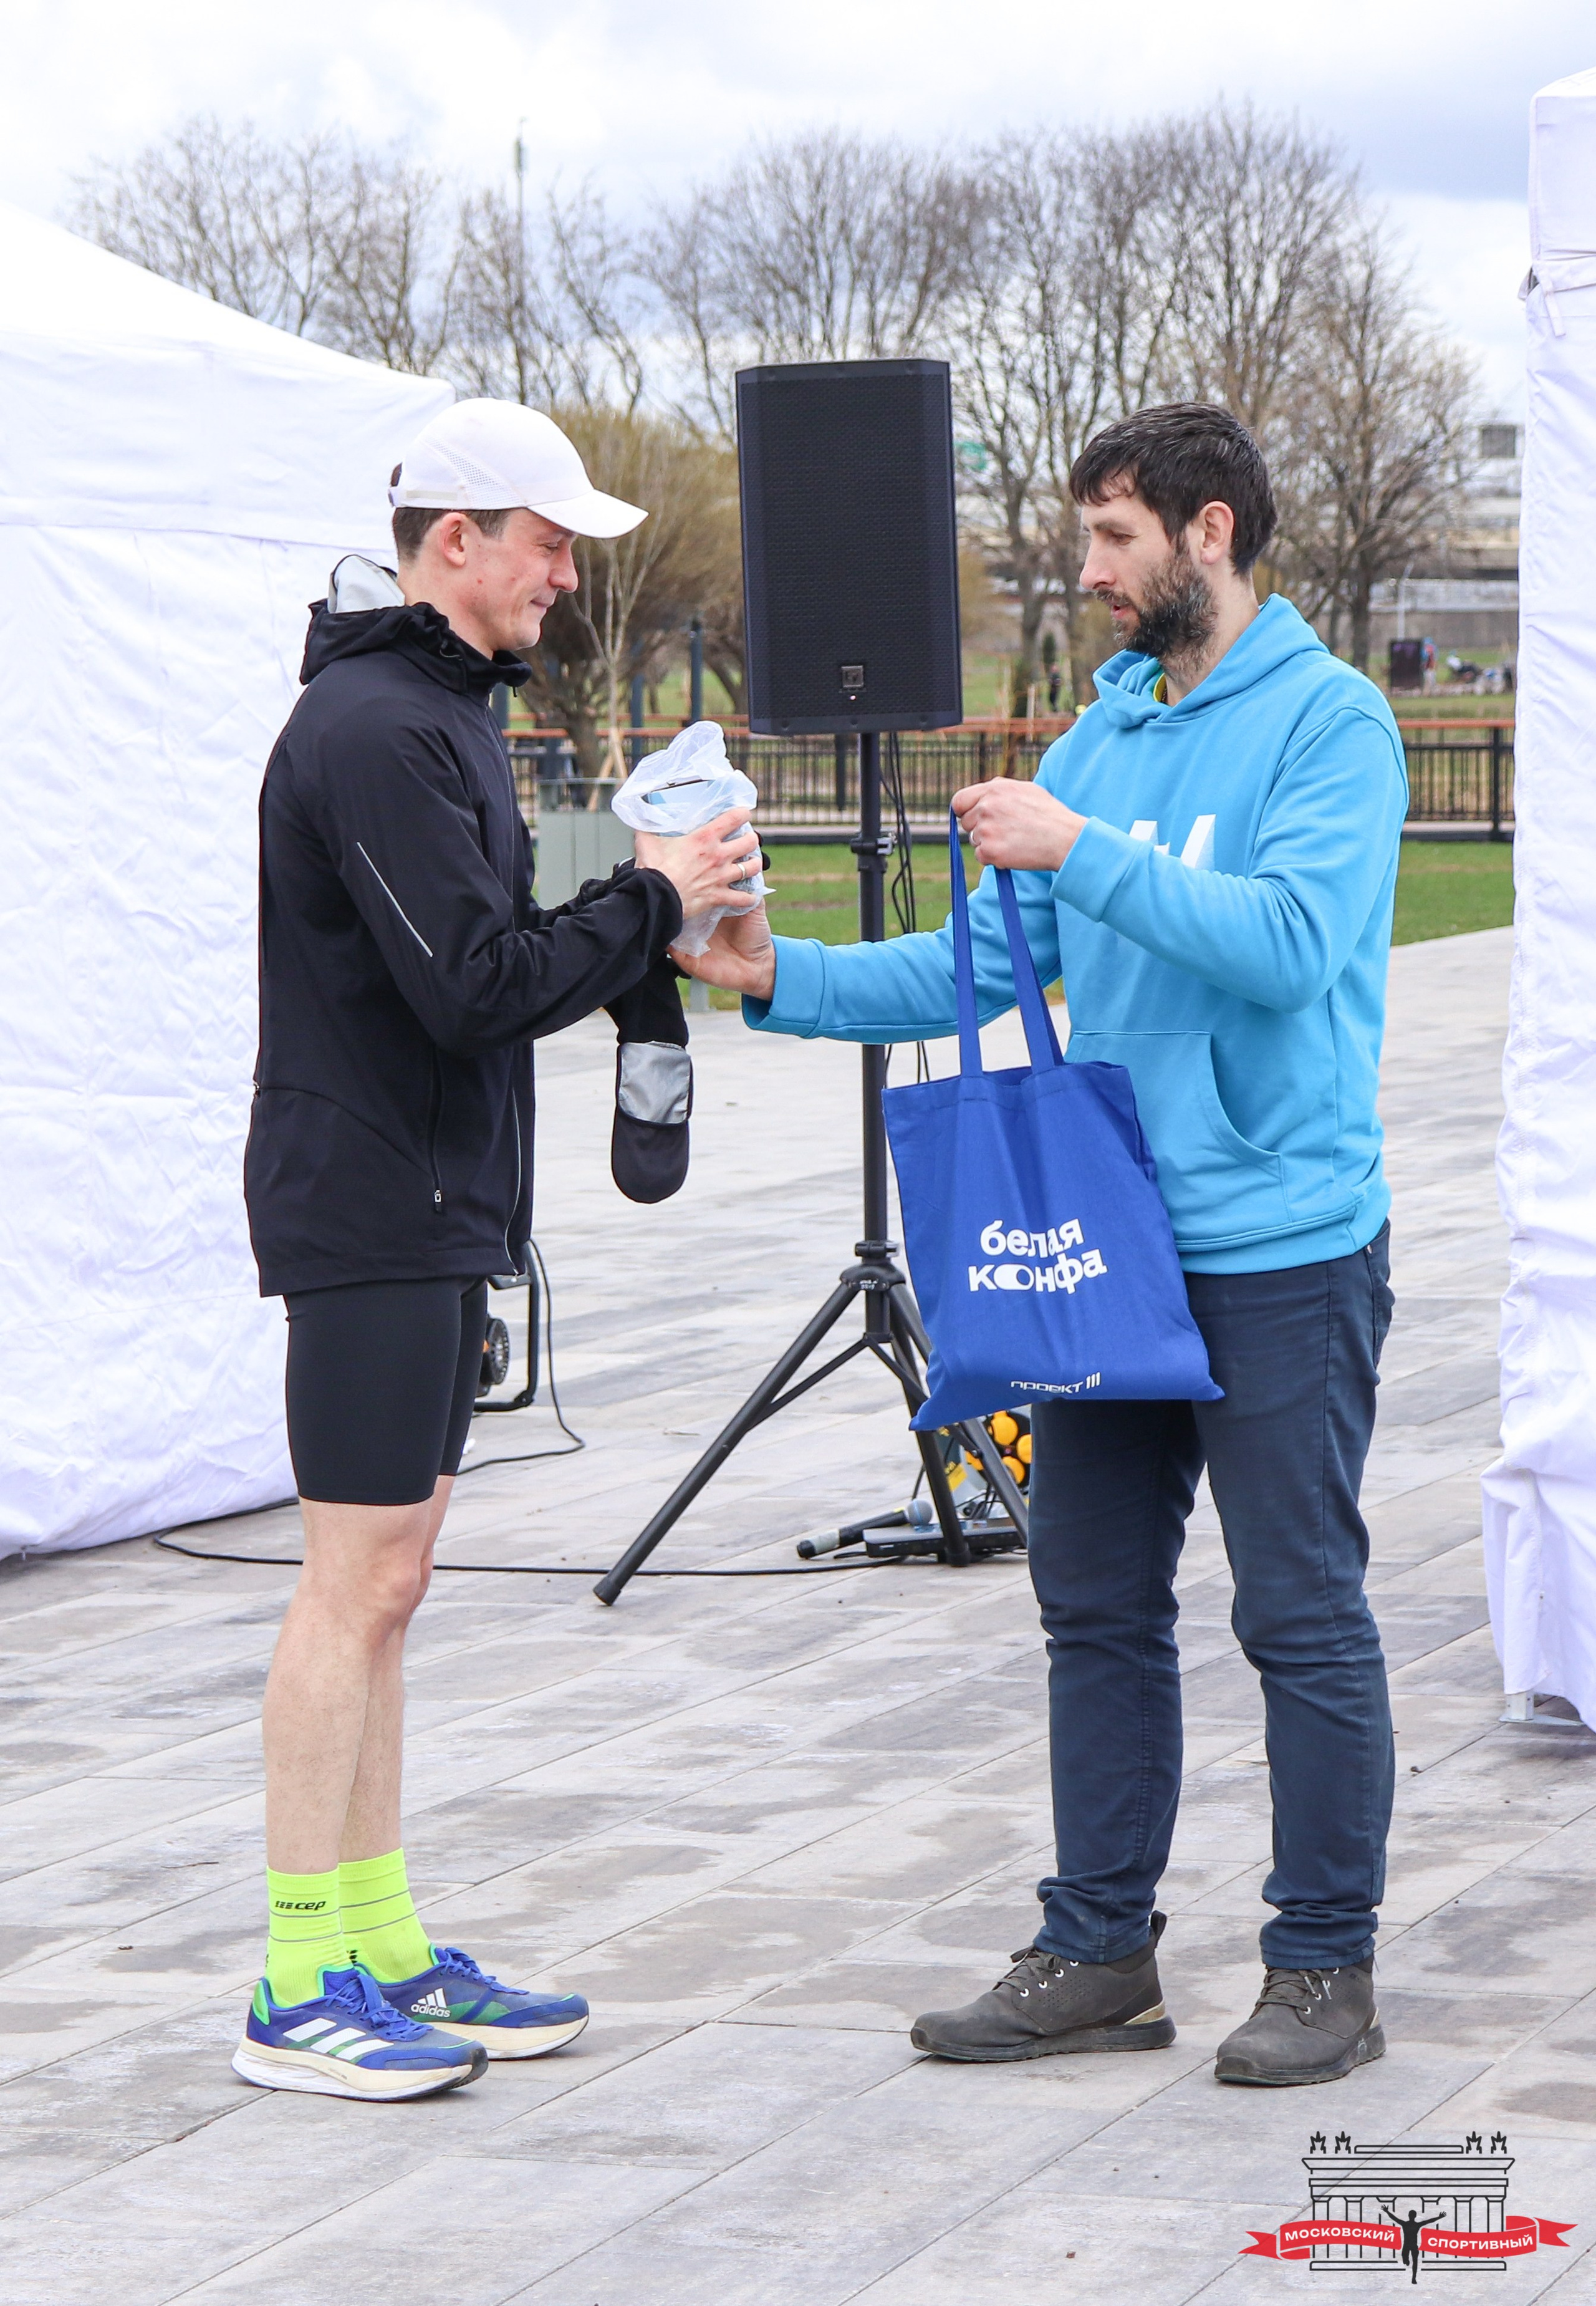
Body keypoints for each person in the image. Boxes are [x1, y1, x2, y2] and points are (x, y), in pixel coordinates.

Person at [681, 402, 1406, 2089]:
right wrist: (777, 979)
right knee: (1089, 1601)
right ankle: (1098, 1948)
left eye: (1114, 538)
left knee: (1297, 1610)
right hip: (1115, 1249)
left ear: (1211, 533)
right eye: (1087, 539)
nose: (1087, 572)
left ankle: (1323, 1964)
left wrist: (1090, 849)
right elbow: (974, 972)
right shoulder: (1106, 740)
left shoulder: (1333, 725)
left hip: (1285, 1242)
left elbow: (1293, 948)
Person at [234, 398, 758, 2101]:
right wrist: (651, 900)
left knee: (393, 1583)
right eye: (545, 539)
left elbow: (496, 954)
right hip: (372, 1205)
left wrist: (639, 906)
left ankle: (377, 1939)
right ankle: (297, 1976)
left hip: (429, 1204)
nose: (565, 572)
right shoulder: (375, 727)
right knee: (353, 1584)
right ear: (452, 538)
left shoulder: (441, 719)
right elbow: (471, 985)